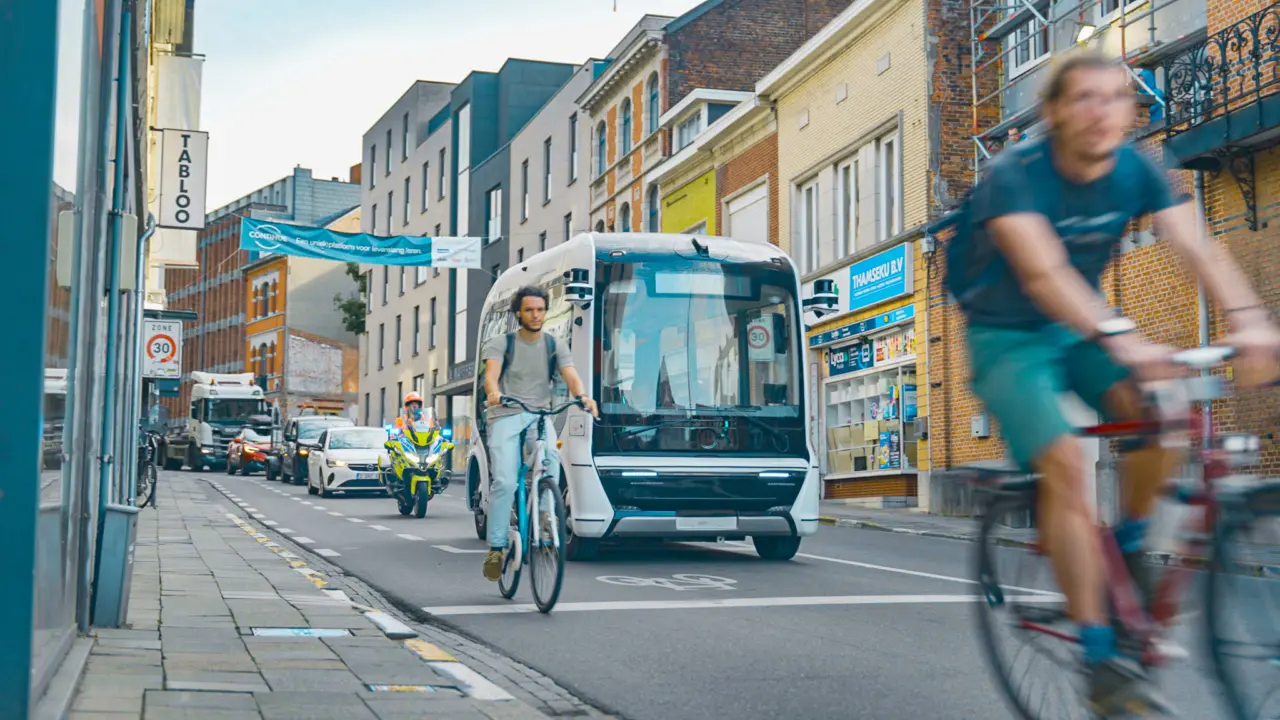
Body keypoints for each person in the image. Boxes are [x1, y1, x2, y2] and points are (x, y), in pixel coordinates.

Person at [950, 49, 1280, 717]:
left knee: (1164, 409)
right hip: (1007, 334)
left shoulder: (1136, 169)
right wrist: (1124, 337)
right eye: (1084, 99)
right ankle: (1100, 659)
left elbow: (1199, 247)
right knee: (1068, 464)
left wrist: (1251, 321)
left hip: (1078, 331)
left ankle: (1127, 549)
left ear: (1133, 112)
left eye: (1116, 99)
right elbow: (1044, 274)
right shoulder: (1015, 176)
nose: (1102, 113)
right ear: (1053, 114)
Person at [480, 286, 598, 581]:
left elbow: (571, 375)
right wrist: (494, 393)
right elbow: (491, 376)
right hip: (505, 414)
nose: (536, 315)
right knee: (506, 482)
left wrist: (582, 396)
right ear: (518, 313)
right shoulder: (501, 343)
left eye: (540, 309)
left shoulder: (554, 344)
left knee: (550, 460)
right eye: (529, 310)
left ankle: (545, 518)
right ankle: (496, 547)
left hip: (538, 413)